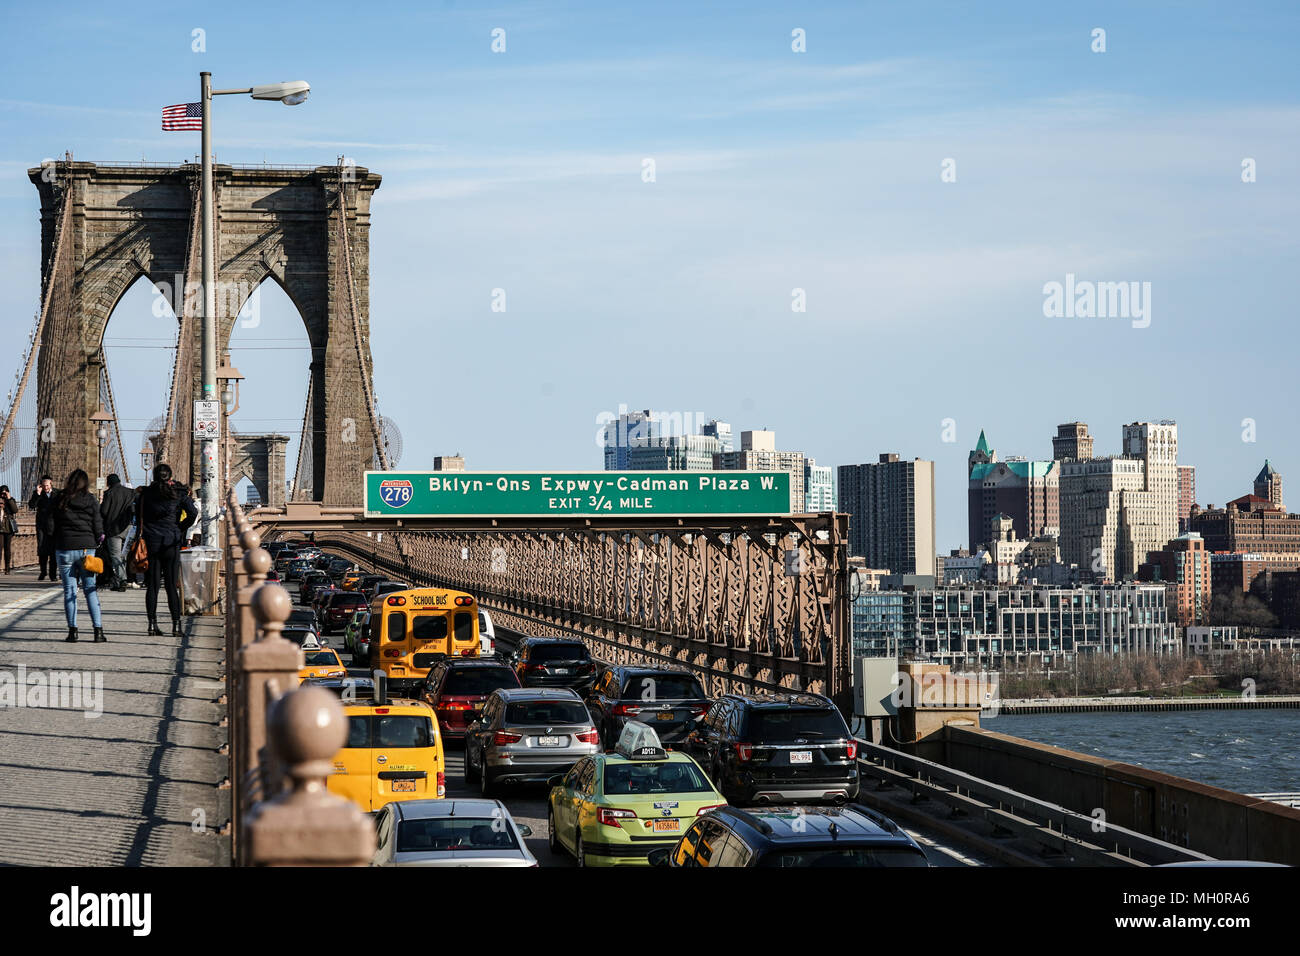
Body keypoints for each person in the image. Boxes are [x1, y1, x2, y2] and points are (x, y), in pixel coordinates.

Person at [138, 463, 197, 637]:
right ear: (170, 477)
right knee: (171, 585)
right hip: (171, 542)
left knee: (153, 586)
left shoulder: (145, 494)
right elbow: (193, 513)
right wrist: (180, 527)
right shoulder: (178, 493)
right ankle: (176, 626)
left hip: (152, 543)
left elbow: (137, 514)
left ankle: (151, 625)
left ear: (154, 476)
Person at [51, 468, 105, 643]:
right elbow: (98, 524)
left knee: (69, 592)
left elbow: (50, 525)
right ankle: (98, 632)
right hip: (86, 549)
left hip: (65, 548)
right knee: (90, 590)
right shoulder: (91, 500)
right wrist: (99, 538)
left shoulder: (59, 498)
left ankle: (72, 632)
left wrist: (57, 537)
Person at [99, 473, 134, 591]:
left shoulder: (109, 493)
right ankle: (129, 578)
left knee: (115, 555)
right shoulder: (130, 492)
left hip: (113, 530)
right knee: (127, 555)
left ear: (109, 483)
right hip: (128, 528)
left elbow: (103, 511)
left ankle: (122, 579)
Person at [28, 475, 56, 581]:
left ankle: (52, 574)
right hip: (42, 527)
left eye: (47, 485)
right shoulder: (38, 494)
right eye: (44, 486)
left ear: (51, 483)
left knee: (53, 552)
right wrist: (38, 494)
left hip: (54, 526)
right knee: (42, 550)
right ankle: (43, 572)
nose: (46, 488)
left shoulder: (57, 493)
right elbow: (32, 505)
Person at [0, 485, 18, 573]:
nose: (3, 495)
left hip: (8, 527)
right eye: (2, 493)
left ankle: (7, 567)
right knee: (0, 547)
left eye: (5, 492)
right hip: (0, 527)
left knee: (7, 548)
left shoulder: (11, 500)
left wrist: (9, 498)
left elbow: (15, 510)